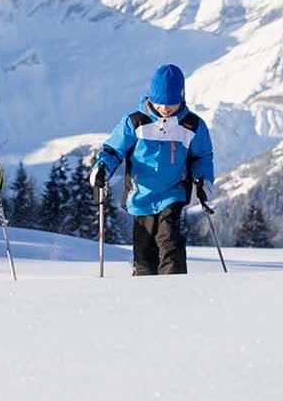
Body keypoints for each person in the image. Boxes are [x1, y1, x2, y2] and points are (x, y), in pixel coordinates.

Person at [91, 64, 216, 275]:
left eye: (172, 104)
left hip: (173, 191)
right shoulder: (135, 122)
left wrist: (203, 181)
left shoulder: (191, 125)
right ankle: (144, 287)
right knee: (144, 249)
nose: (166, 109)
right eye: (160, 103)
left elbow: (202, 156)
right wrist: (102, 168)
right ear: (150, 97)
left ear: (181, 98)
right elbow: (113, 150)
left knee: (169, 239)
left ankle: (174, 285)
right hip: (141, 194)